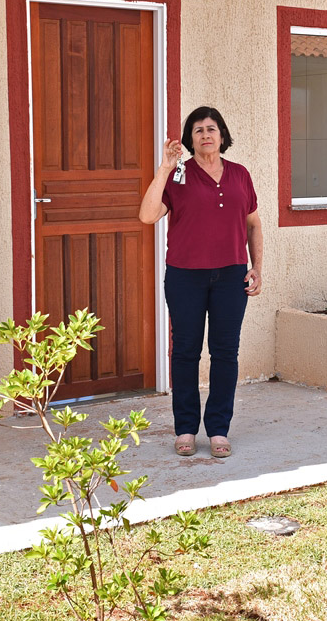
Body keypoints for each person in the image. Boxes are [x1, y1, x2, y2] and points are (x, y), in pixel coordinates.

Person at [138, 106, 263, 458]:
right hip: (185, 277)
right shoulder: (178, 175)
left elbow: (253, 225)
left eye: (211, 129)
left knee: (225, 352)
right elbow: (147, 216)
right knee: (186, 352)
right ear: (189, 140)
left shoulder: (240, 175)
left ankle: (219, 428)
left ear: (222, 135)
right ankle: (187, 429)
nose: (205, 135)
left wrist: (258, 267)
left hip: (231, 276)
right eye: (198, 130)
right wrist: (164, 166)